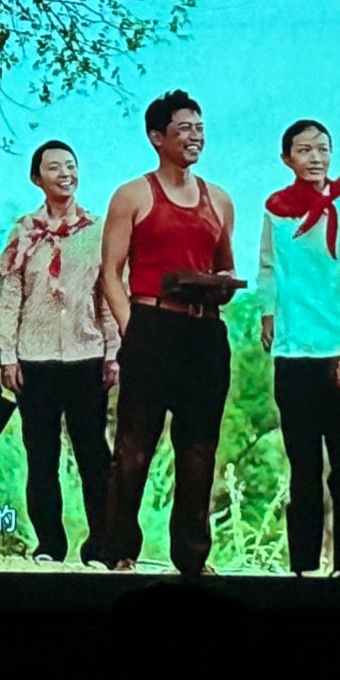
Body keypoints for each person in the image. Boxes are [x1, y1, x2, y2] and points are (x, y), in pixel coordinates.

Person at [100, 90, 236, 576]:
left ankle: (193, 559)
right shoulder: (133, 195)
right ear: (157, 137)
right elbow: (110, 272)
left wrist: (223, 287)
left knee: (199, 448)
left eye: (199, 128)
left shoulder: (219, 199)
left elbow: (225, 268)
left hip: (205, 332)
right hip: (152, 324)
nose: (195, 137)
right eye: (183, 129)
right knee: (134, 447)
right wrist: (131, 326)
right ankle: (118, 550)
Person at [0, 140, 120, 564]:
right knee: (41, 456)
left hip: (86, 355)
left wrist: (113, 351)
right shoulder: (23, 231)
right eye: (54, 167)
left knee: (93, 454)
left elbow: (108, 294)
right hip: (36, 358)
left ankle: (101, 544)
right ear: (37, 178)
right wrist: (7, 355)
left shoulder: (98, 230)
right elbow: (9, 296)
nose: (65, 173)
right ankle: (49, 544)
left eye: (70, 165)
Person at [258, 119, 340, 577]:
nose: (316, 158)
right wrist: (268, 312)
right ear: (286, 158)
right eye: (304, 150)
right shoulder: (275, 209)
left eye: (323, 148)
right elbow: (268, 266)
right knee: (303, 470)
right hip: (293, 356)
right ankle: (302, 570)